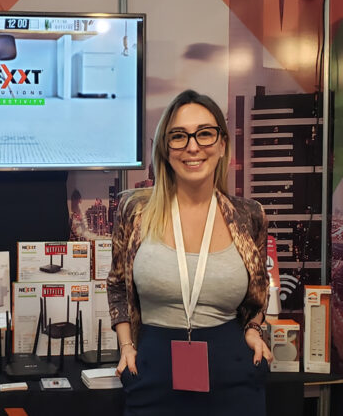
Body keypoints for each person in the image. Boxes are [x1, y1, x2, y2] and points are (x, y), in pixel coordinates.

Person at [107, 89, 273, 415]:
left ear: (222, 144)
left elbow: (259, 291)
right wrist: (126, 346)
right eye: (179, 136)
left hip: (232, 375)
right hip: (153, 373)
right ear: (165, 148)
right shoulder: (134, 210)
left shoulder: (249, 215)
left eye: (205, 134)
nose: (193, 147)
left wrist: (254, 330)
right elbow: (117, 287)